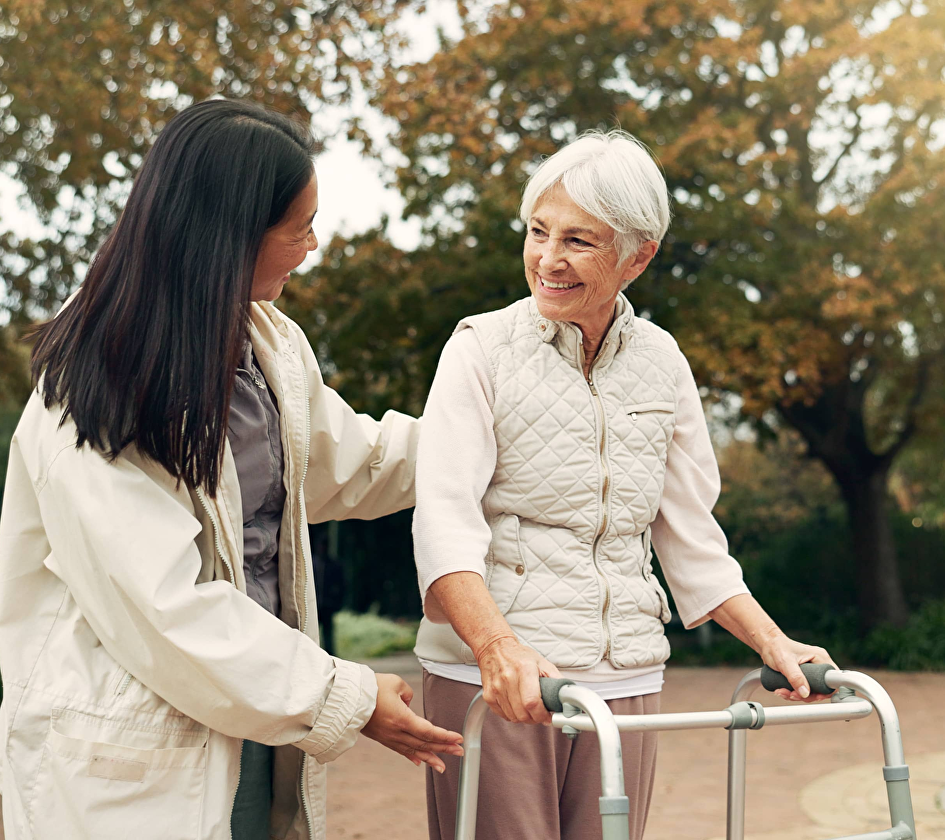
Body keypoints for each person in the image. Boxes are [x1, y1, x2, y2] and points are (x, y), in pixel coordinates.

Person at [0, 99, 462, 840]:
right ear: (228, 238)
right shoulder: (91, 386)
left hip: (258, 713)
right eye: (299, 228)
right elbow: (161, 606)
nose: (312, 246)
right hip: (138, 745)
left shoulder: (266, 345)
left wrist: (493, 431)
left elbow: (351, 464)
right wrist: (345, 694)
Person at [412, 130, 834, 840]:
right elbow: (444, 523)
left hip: (626, 677)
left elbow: (692, 537)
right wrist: (496, 651)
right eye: (538, 232)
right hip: (505, 682)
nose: (548, 259)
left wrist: (772, 642)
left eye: (578, 240)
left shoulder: (662, 362)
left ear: (637, 255)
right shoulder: (478, 348)